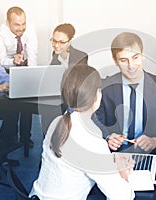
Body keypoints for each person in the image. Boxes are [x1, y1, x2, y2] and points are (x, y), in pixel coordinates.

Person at [29, 64, 135, 199]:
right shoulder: (91, 140)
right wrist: (122, 172)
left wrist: (109, 161)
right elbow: (123, 196)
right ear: (97, 95)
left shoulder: (57, 122)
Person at [93, 32, 156, 153]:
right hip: (114, 153)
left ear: (143, 55)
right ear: (115, 61)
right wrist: (107, 137)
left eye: (135, 57)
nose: (131, 66)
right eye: (123, 60)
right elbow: (93, 120)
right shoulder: (105, 87)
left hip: (151, 151)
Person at [0, 6, 38, 147]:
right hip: (7, 67)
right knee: (12, 105)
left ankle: (26, 137)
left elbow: (32, 53)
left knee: (28, 103)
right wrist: (13, 61)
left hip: (24, 65)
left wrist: (31, 76)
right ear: (8, 22)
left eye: (23, 23)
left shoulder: (29, 28)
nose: (21, 28)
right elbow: (0, 60)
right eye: (16, 25)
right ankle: (9, 137)